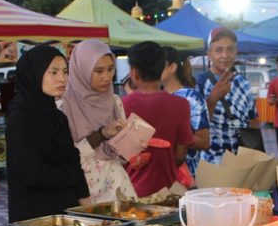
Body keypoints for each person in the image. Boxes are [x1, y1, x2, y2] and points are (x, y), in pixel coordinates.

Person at [6, 45, 89, 224]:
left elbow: (73, 160)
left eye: (65, 72)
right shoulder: (20, 117)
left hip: (67, 211)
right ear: (34, 74)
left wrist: (85, 203)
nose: (62, 79)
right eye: (53, 72)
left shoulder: (57, 116)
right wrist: (70, 175)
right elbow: (31, 173)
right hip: (35, 216)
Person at [60, 39, 134, 202]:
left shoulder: (115, 101)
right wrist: (102, 133)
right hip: (83, 193)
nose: (107, 77)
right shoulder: (63, 106)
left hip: (119, 190)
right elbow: (67, 158)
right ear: (81, 70)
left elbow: (119, 156)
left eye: (110, 69)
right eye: (98, 71)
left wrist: (131, 143)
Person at [122, 42, 193, 197]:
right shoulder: (181, 105)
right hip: (167, 191)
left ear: (134, 73)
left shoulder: (121, 105)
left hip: (130, 190)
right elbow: (181, 155)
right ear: (162, 69)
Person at [197, 27, 258, 164]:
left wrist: (256, 154)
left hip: (242, 161)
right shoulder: (200, 83)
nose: (225, 55)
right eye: (218, 50)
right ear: (209, 54)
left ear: (236, 52)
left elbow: (253, 121)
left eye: (230, 49)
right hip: (212, 162)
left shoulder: (243, 83)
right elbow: (194, 127)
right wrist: (213, 98)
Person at [161, 47, 210, 177]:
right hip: (161, 170)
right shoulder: (155, 96)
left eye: (158, 64)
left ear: (172, 67)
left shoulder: (191, 97)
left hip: (187, 173)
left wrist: (175, 134)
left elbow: (204, 141)